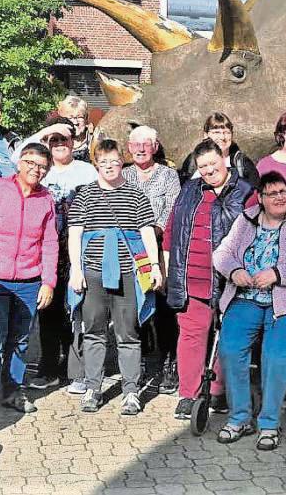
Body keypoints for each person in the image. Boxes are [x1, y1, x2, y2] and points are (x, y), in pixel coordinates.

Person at [213, 171, 286, 450]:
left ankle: (269, 423)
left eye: (283, 191)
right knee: (230, 348)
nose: (280, 197)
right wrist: (235, 270)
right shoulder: (246, 219)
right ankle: (240, 417)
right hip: (246, 297)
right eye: (272, 193)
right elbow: (222, 253)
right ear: (261, 198)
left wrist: (278, 273)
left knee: (274, 355)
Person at [0, 143, 59, 420]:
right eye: (30, 162)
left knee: (20, 341)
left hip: (30, 282)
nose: (35, 170)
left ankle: (12, 391)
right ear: (19, 163)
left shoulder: (46, 199)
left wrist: (48, 282)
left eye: (42, 166)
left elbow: (50, 243)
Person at [68, 139, 163, 415]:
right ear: (96, 164)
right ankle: (92, 387)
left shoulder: (136, 194)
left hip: (128, 273)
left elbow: (146, 232)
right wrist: (76, 269)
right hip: (93, 272)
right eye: (103, 161)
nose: (109, 166)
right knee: (94, 332)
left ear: (122, 162)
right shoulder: (84, 195)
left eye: (114, 160)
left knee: (128, 333)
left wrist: (154, 266)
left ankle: (131, 391)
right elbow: (75, 233)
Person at [164, 139, 253, 419]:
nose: (208, 170)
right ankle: (188, 394)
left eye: (212, 164)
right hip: (192, 278)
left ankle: (216, 392)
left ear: (223, 160)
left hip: (230, 280)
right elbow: (171, 229)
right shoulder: (189, 190)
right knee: (191, 335)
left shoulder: (246, 193)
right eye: (202, 166)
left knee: (229, 336)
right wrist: (167, 268)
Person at [27, 130, 97, 393]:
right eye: (53, 140)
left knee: (76, 309)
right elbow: (18, 156)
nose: (58, 144)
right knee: (49, 309)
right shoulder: (41, 169)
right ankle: (48, 367)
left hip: (78, 246)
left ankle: (75, 368)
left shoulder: (87, 171)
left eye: (63, 140)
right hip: (47, 248)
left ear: (73, 143)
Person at [123, 125, 181, 392]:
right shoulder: (122, 175)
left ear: (155, 147)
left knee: (162, 307)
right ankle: (144, 361)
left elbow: (172, 211)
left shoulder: (169, 176)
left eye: (147, 144)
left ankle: (170, 361)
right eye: (136, 144)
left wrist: (150, 231)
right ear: (129, 148)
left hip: (158, 248)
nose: (141, 149)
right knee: (133, 307)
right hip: (128, 250)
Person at [178, 112, 260, 187]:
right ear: (205, 135)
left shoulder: (241, 163)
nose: (222, 137)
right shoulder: (192, 161)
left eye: (227, 132)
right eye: (216, 132)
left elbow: (255, 193)